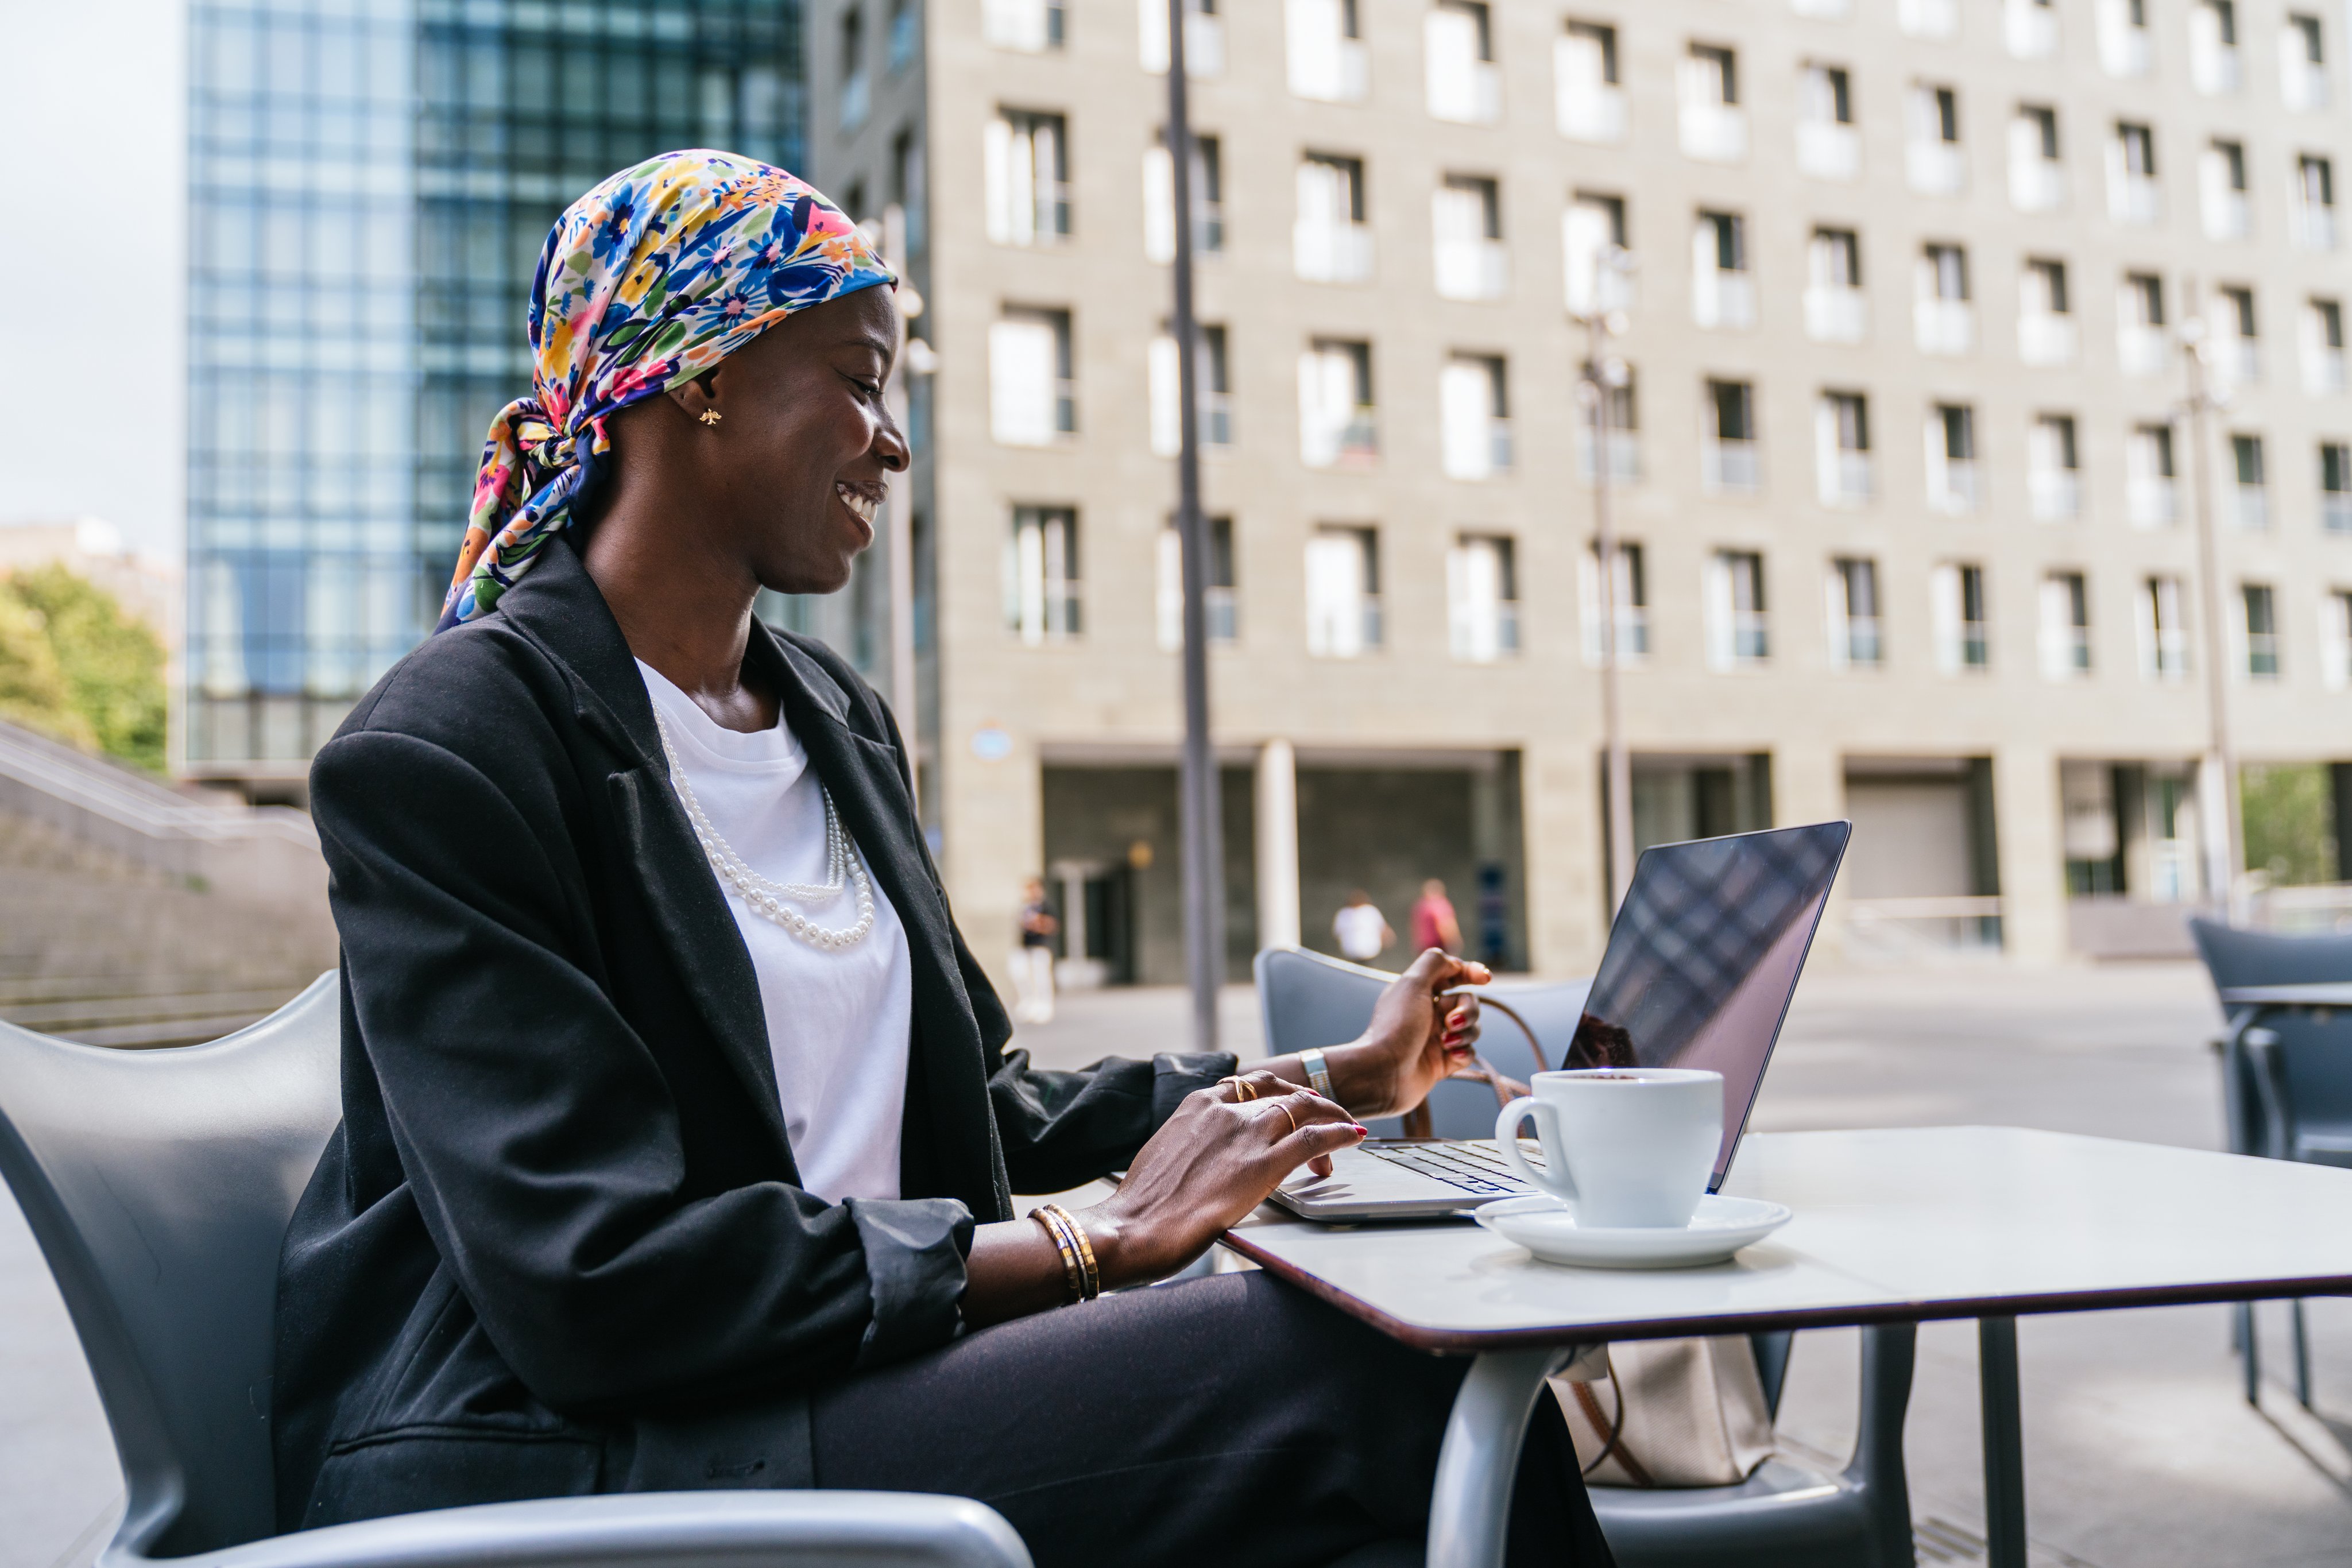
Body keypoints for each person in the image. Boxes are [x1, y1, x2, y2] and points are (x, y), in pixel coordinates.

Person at [272, 151, 1614, 1568]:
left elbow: (982, 1105)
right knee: (1381, 1392)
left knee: (1402, 1423)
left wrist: (1328, 1083)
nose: (892, 442)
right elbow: (594, 1279)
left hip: (843, 1379)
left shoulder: (834, 717)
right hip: (589, 1448)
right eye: (858, 380)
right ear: (703, 375)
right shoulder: (452, 746)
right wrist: (1101, 1247)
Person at [1011, 876, 1058, 1024]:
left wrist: (1038, 924)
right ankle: (1029, 1004)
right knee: (1022, 976)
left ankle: (1045, 1007)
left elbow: (1052, 925)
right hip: (1025, 947)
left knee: (1041, 978)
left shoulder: (1046, 906)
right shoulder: (1025, 907)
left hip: (1040, 947)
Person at [1333, 888, 1394, 962]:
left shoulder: (1370, 911)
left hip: (1370, 952)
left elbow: (1383, 929)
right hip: (1351, 953)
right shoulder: (1343, 914)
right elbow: (1337, 933)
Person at [1412, 878, 1464, 955]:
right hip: (1438, 947)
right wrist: (1453, 943)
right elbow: (1444, 924)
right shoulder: (1439, 904)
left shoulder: (1421, 906)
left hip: (1424, 948)